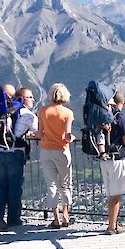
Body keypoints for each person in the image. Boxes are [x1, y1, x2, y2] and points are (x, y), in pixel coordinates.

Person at [0, 84, 38, 229]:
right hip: (15, 152)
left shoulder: (0, 111)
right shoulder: (27, 114)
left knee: (2, 185)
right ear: (22, 98)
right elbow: (38, 132)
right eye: (30, 97)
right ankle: (14, 219)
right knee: (15, 187)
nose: (33, 100)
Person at [37, 83, 75, 228]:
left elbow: (40, 133)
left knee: (51, 185)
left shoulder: (43, 111)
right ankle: (66, 215)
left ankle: (56, 218)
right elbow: (67, 136)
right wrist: (72, 138)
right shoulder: (67, 113)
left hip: (46, 151)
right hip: (62, 151)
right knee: (65, 184)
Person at [100, 91, 125, 235]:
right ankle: (112, 227)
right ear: (123, 102)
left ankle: (113, 223)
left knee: (111, 193)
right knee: (116, 195)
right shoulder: (121, 117)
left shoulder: (103, 117)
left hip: (104, 158)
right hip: (117, 159)